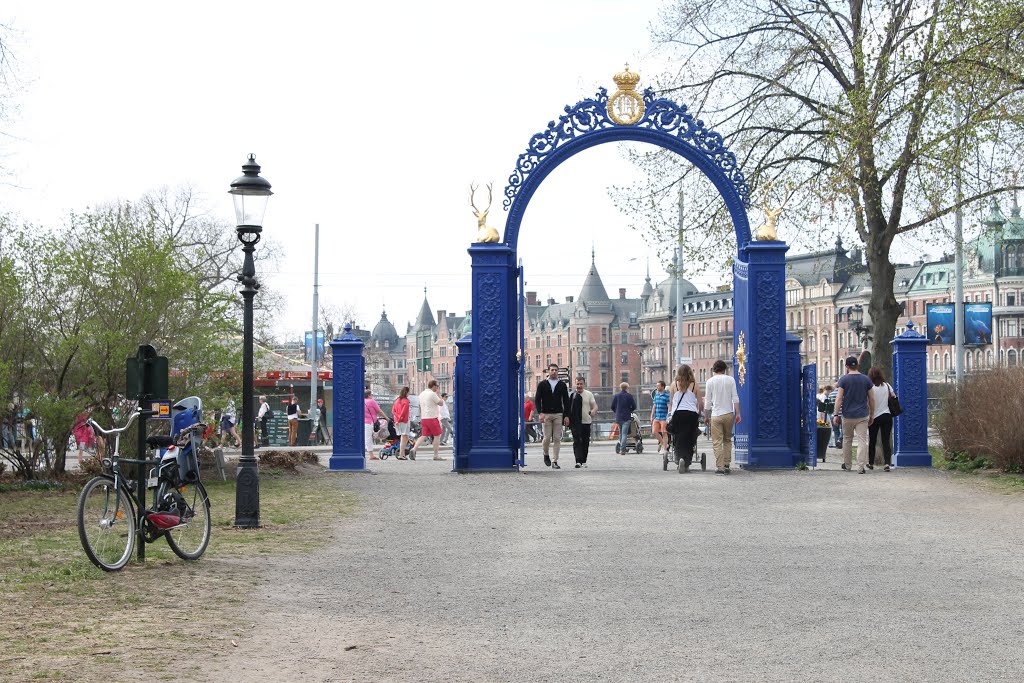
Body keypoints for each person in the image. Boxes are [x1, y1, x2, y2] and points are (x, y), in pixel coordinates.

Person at [833, 355, 875, 474]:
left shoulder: (843, 380)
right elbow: (871, 398)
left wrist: (836, 414)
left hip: (847, 415)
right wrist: (872, 414)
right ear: (857, 365)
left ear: (846, 366)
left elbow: (839, 398)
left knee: (847, 439)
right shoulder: (866, 379)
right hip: (862, 415)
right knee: (862, 440)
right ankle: (860, 467)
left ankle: (847, 465)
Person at [703, 360, 741, 475]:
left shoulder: (710, 381)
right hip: (728, 413)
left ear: (714, 369)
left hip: (716, 415)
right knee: (727, 440)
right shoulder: (731, 380)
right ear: (725, 369)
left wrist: (706, 416)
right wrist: (738, 413)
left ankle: (720, 468)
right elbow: (735, 398)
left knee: (717, 442)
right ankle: (727, 464)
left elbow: (708, 402)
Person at [668, 364, 703, 473]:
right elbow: (700, 403)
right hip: (691, 415)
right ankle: (687, 462)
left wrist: (670, 415)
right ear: (690, 373)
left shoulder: (674, 385)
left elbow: (670, 402)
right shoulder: (695, 385)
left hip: (678, 415)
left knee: (678, 437)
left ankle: (679, 459)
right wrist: (699, 413)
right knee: (690, 437)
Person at [534, 363, 570, 469]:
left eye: (556, 370)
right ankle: (546, 454)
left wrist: (566, 415)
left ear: (557, 372)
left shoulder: (562, 385)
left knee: (557, 438)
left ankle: (555, 461)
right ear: (548, 371)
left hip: (558, 414)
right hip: (546, 414)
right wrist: (540, 413)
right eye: (552, 370)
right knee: (547, 438)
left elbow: (566, 401)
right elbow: (537, 399)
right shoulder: (542, 384)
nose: (554, 372)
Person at [867, 367, 895, 472]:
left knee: (872, 440)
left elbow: (868, 400)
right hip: (886, 415)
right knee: (885, 440)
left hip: (874, 416)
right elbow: (893, 396)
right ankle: (887, 463)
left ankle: (870, 463)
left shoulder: (870, 387)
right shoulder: (887, 385)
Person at [568, 376, 598, 468]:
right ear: (575, 384)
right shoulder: (572, 395)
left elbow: (595, 406)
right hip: (575, 422)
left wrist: (593, 411)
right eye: (577, 384)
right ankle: (578, 461)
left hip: (586, 421)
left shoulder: (589, 394)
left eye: (581, 384)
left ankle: (584, 460)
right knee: (577, 441)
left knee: (585, 442)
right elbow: (568, 408)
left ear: (584, 384)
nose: (579, 386)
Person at [412, 380, 445, 460]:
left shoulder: (421, 394)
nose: (437, 388)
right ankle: (436, 455)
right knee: (437, 436)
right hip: (432, 417)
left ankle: (414, 449)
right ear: (434, 386)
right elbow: (441, 403)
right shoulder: (432, 394)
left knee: (424, 435)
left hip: (424, 418)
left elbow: (419, 406)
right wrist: (439, 394)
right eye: (437, 386)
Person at [611, 382, 637, 455]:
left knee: (621, 433)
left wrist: (616, 412)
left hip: (618, 417)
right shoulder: (629, 396)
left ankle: (622, 448)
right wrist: (630, 411)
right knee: (625, 433)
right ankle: (623, 449)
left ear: (620, 388)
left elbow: (612, 406)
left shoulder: (617, 396)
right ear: (627, 388)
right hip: (626, 416)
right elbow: (634, 406)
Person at [364, 389, 388, 460]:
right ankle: (371, 455)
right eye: (371, 395)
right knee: (368, 438)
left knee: (367, 438)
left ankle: (369, 454)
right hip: (370, 422)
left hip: (364, 422)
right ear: (369, 395)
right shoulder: (371, 401)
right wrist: (386, 417)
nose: (372, 396)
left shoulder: (362, 401)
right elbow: (379, 411)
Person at [650, 381, 670, 456]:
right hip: (657, 416)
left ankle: (664, 448)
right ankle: (664, 444)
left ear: (663, 387)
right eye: (657, 386)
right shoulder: (656, 395)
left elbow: (669, 407)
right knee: (654, 432)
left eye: (658, 386)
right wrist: (652, 415)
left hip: (664, 417)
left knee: (664, 432)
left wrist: (668, 416)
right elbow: (654, 406)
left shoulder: (667, 396)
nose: (657, 387)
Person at [392, 386, 412, 460]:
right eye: (409, 392)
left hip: (398, 420)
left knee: (404, 436)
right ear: (406, 392)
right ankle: (401, 454)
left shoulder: (397, 400)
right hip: (404, 420)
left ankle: (402, 453)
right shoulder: (406, 401)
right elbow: (403, 412)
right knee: (404, 436)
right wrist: (399, 419)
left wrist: (397, 419)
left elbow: (393, 411)